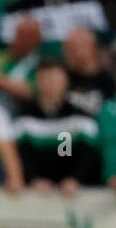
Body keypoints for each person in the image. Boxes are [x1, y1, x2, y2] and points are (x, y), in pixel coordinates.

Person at [15, 59, 101, 191]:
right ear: (37, 82)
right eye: (45, 79)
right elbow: (20, 153)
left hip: (72, 189)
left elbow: (88, 154)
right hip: (36, 189)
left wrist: (74, 179)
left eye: (55, 79)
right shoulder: (24, 117)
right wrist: (33, 178)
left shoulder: (80, 117)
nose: (50, 84)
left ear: (66, 82)